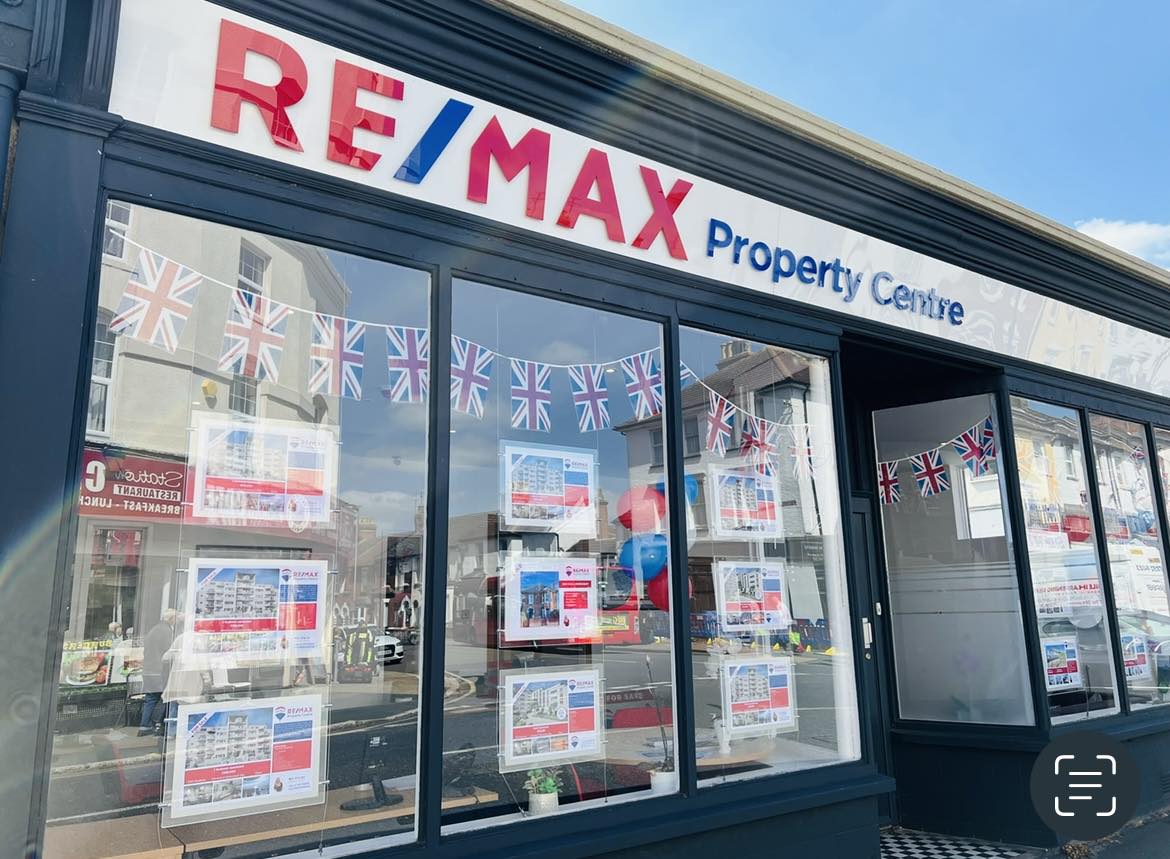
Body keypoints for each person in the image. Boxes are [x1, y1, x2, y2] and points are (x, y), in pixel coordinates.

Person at [139, 608, 176, 736]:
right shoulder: (166, 631)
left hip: (147, 670)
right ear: (171, 619)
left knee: (150, 698)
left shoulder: (153, 630)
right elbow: (169, 652)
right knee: (165, 697)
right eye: (175, 619)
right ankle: (158, 725)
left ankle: (144, 726)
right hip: (159, 670)